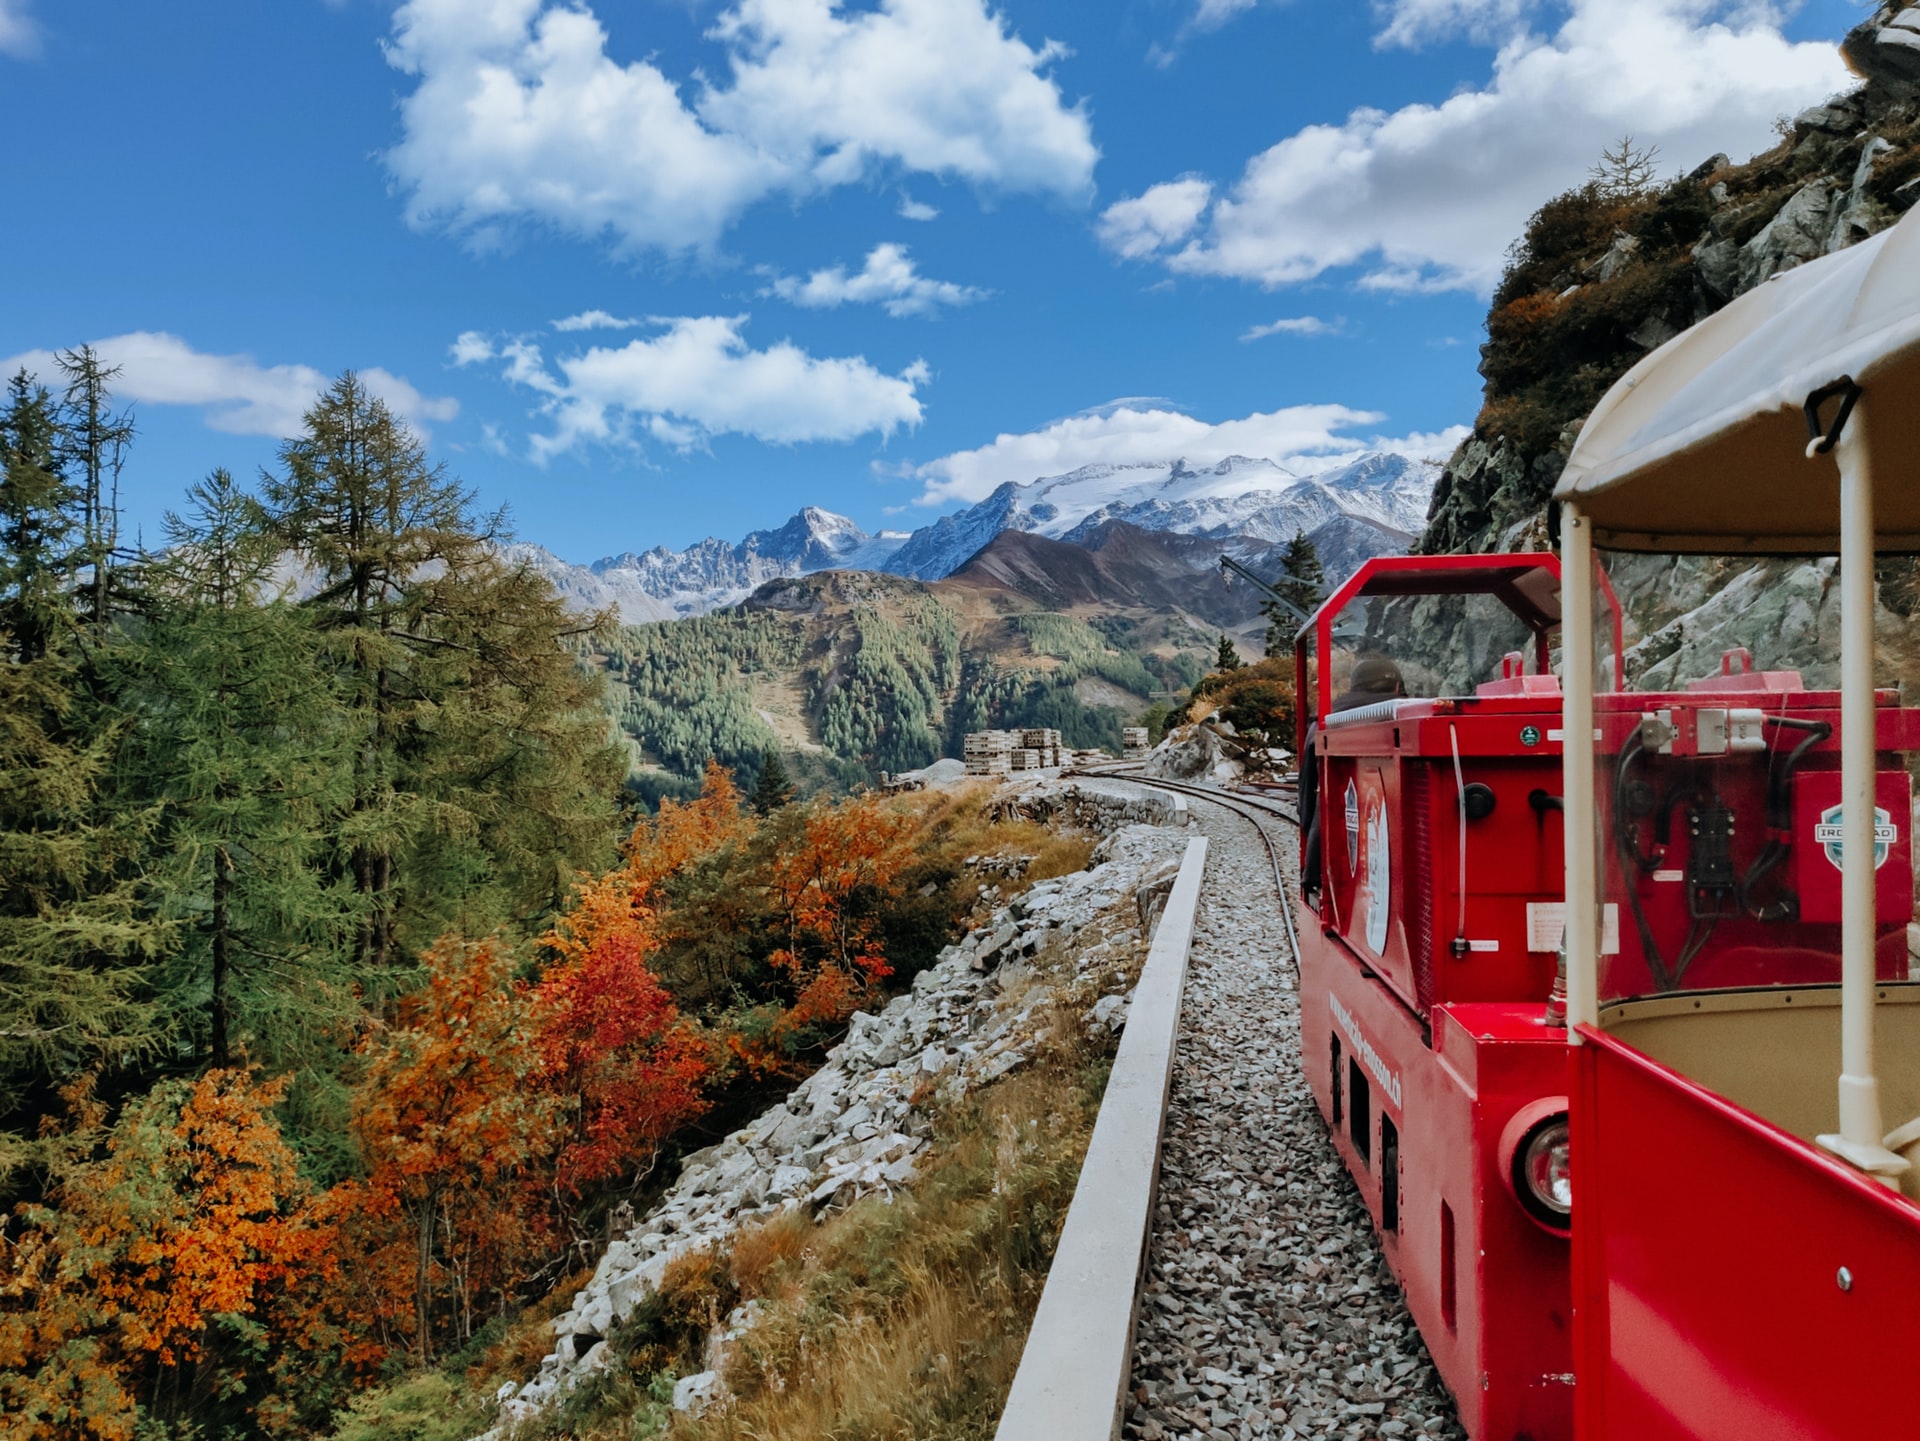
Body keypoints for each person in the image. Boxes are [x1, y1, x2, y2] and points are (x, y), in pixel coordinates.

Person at [1300, 655, 1405, 904]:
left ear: (1355, 686)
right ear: (1397, 686)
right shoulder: (1408, 713)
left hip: (1337, 852)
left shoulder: (1324, 722)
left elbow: (1306, 793)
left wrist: (1311, 835)